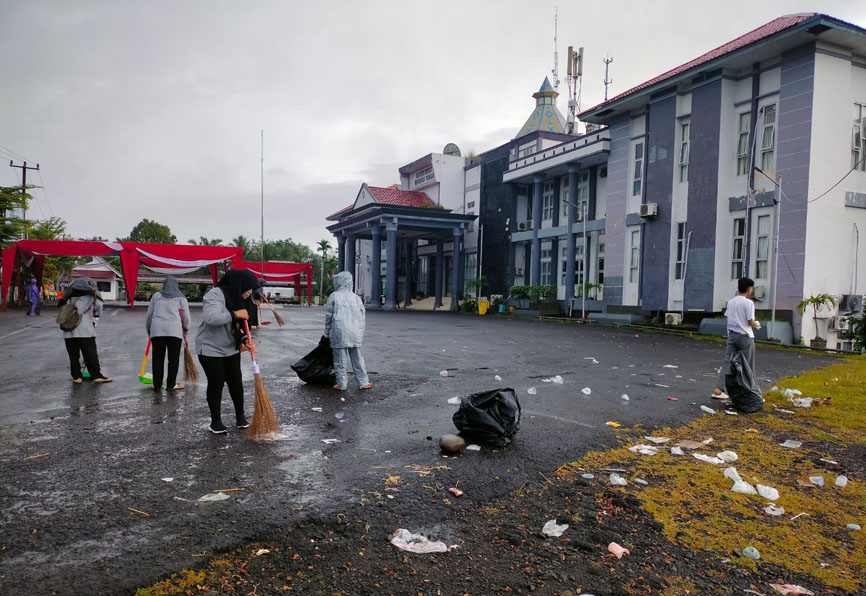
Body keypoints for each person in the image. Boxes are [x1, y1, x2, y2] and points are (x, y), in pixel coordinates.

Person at [194, 269, 258, 434]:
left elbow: (239, 327)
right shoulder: (215, 295)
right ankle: (216, 421)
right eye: (249, 288)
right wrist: (235, 314)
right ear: (240, 284)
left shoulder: (240, 299)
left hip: (230, 347)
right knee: (217, 382)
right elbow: (211, 318)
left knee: (236, 381)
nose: (251, 292)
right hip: (210, 347)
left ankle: (240, 417)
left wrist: (245, 341)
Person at [713, 277, 761, 399]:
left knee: (728, 362)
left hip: (732, 335)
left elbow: (729, 318)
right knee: (747, 366)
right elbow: (750, 321)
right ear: (749, 289)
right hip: (745, 336)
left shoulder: (731, 301)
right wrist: (756, 324)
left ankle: (719, 389)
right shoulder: (749, 303)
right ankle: (751, 394)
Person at [324, 271, 371, 391]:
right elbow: (362, 316)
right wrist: (360, 332)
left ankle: (342, 384)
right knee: (358, 358)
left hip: (339, 331)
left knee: (340, 360)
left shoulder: (334, 296)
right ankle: (363, 382)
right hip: (355, 332)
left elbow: (329, 316)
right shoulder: (356, 298)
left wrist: (326, 332)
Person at [59, 278, 112, 384]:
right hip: (85, 330)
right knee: (90, 354)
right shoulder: (93, 294)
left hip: (68, 330)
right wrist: (95, 319)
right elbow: (98, 309)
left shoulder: (68, 294)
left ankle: (77, 377)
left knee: (73, 356)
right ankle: (96, 375)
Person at [145, 276, 191, 392]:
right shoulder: (181, 298)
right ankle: (171, 384)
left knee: (157, 359)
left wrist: (149, 330)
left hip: (157, 331)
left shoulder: (156, 296)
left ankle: (157, 385)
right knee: (173, 360)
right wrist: (186, 329)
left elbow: (149, 316)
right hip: (174, 332)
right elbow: (186, 317)